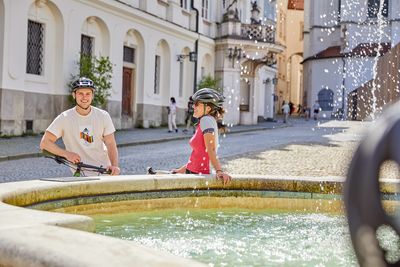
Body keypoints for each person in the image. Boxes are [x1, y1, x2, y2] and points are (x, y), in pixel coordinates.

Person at [40, 77, 120, 176]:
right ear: (74, 95)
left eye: (88, 94)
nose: (84, 97)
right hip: (80, 172)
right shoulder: (64, 118)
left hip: (104, 171)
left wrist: (114, 165)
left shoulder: (103, 116)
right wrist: (66, 154)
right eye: (80, 93)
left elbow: (111, 143)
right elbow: (45, 143)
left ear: (92, 96)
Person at [172, 88, 232, 185]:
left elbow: (210, 149)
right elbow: (197, 155)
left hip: (199, 175)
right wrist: (180, 170)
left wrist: (219, 171)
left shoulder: (206, 121)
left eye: (197, 104)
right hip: (192, 172)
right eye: (193, 103)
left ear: (208, 108)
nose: (193, 106)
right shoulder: (206, 121)